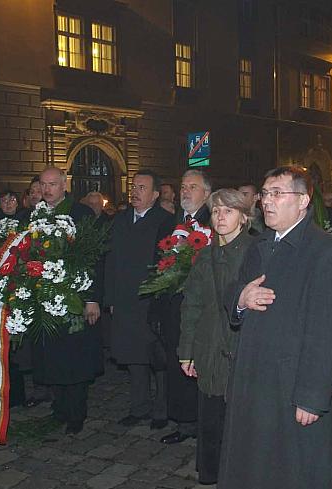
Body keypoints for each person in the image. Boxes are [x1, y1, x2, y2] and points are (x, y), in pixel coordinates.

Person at [218, 166, 332, 489]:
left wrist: (312, 395)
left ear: (303, 201)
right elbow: (237, 293)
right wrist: (241, 299)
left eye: (277, 193)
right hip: (254, 377)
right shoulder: (260, 245)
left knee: (296, 482)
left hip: (293, 383)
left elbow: (329, 332)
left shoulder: (327, 253)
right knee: (257, 472)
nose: (267, 201)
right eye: (265, 193)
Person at [178, 189, 254, 489]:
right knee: (212, 419)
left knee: (239, 423)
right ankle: (218, 483)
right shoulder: (205, 256)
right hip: (210, 345)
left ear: (244, 216)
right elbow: (192, 304)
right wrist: (186, 351)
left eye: (228, 211)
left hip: (241, 346)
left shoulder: (255, 252)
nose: (221, 217)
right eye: (216, 211)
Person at [30, 167, 104, 434]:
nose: (47, 189)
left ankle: (76, 413)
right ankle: (59, 408)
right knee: (52, 356)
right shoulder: (36, 214)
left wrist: (92, 298)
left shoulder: (80, 213)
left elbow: (94, 257)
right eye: (43, 184)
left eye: (52, 184)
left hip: (74, 297)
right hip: (45, 297)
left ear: (64, 185)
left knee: (74, 357)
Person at [105, 171, 174, 428]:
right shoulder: (119, 220)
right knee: (133, 357)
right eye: (133, 187)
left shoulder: (166, 221)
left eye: (142, 188)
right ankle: (139, 406)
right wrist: (110, 297)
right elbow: (110, 261)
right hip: (125, 299)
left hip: (151, 300)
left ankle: (162, 409)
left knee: (158, 358)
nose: (135, 191)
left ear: (156, 194)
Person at [153, 169, 211, 444]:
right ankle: (185, 422)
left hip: (204, 309)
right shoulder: (171, 223)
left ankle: (206, 423)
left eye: (193, 186)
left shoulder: (214, 221)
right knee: (179, 363)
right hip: (175, 308)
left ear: (207, 193)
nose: (185, 191)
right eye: (183, 186)